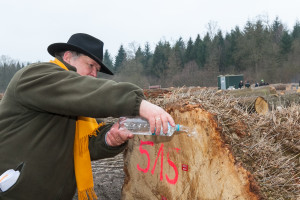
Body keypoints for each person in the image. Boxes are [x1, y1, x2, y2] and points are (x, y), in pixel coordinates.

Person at [0, 33, 175, 200]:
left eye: (97, 70)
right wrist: (138, 104)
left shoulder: (75, 105)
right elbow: (84, 89)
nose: (94, 74)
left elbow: (85, 145)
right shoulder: (35, 76)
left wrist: (109, 139)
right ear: (68, 57)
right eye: (90, 65)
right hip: (15, 192)